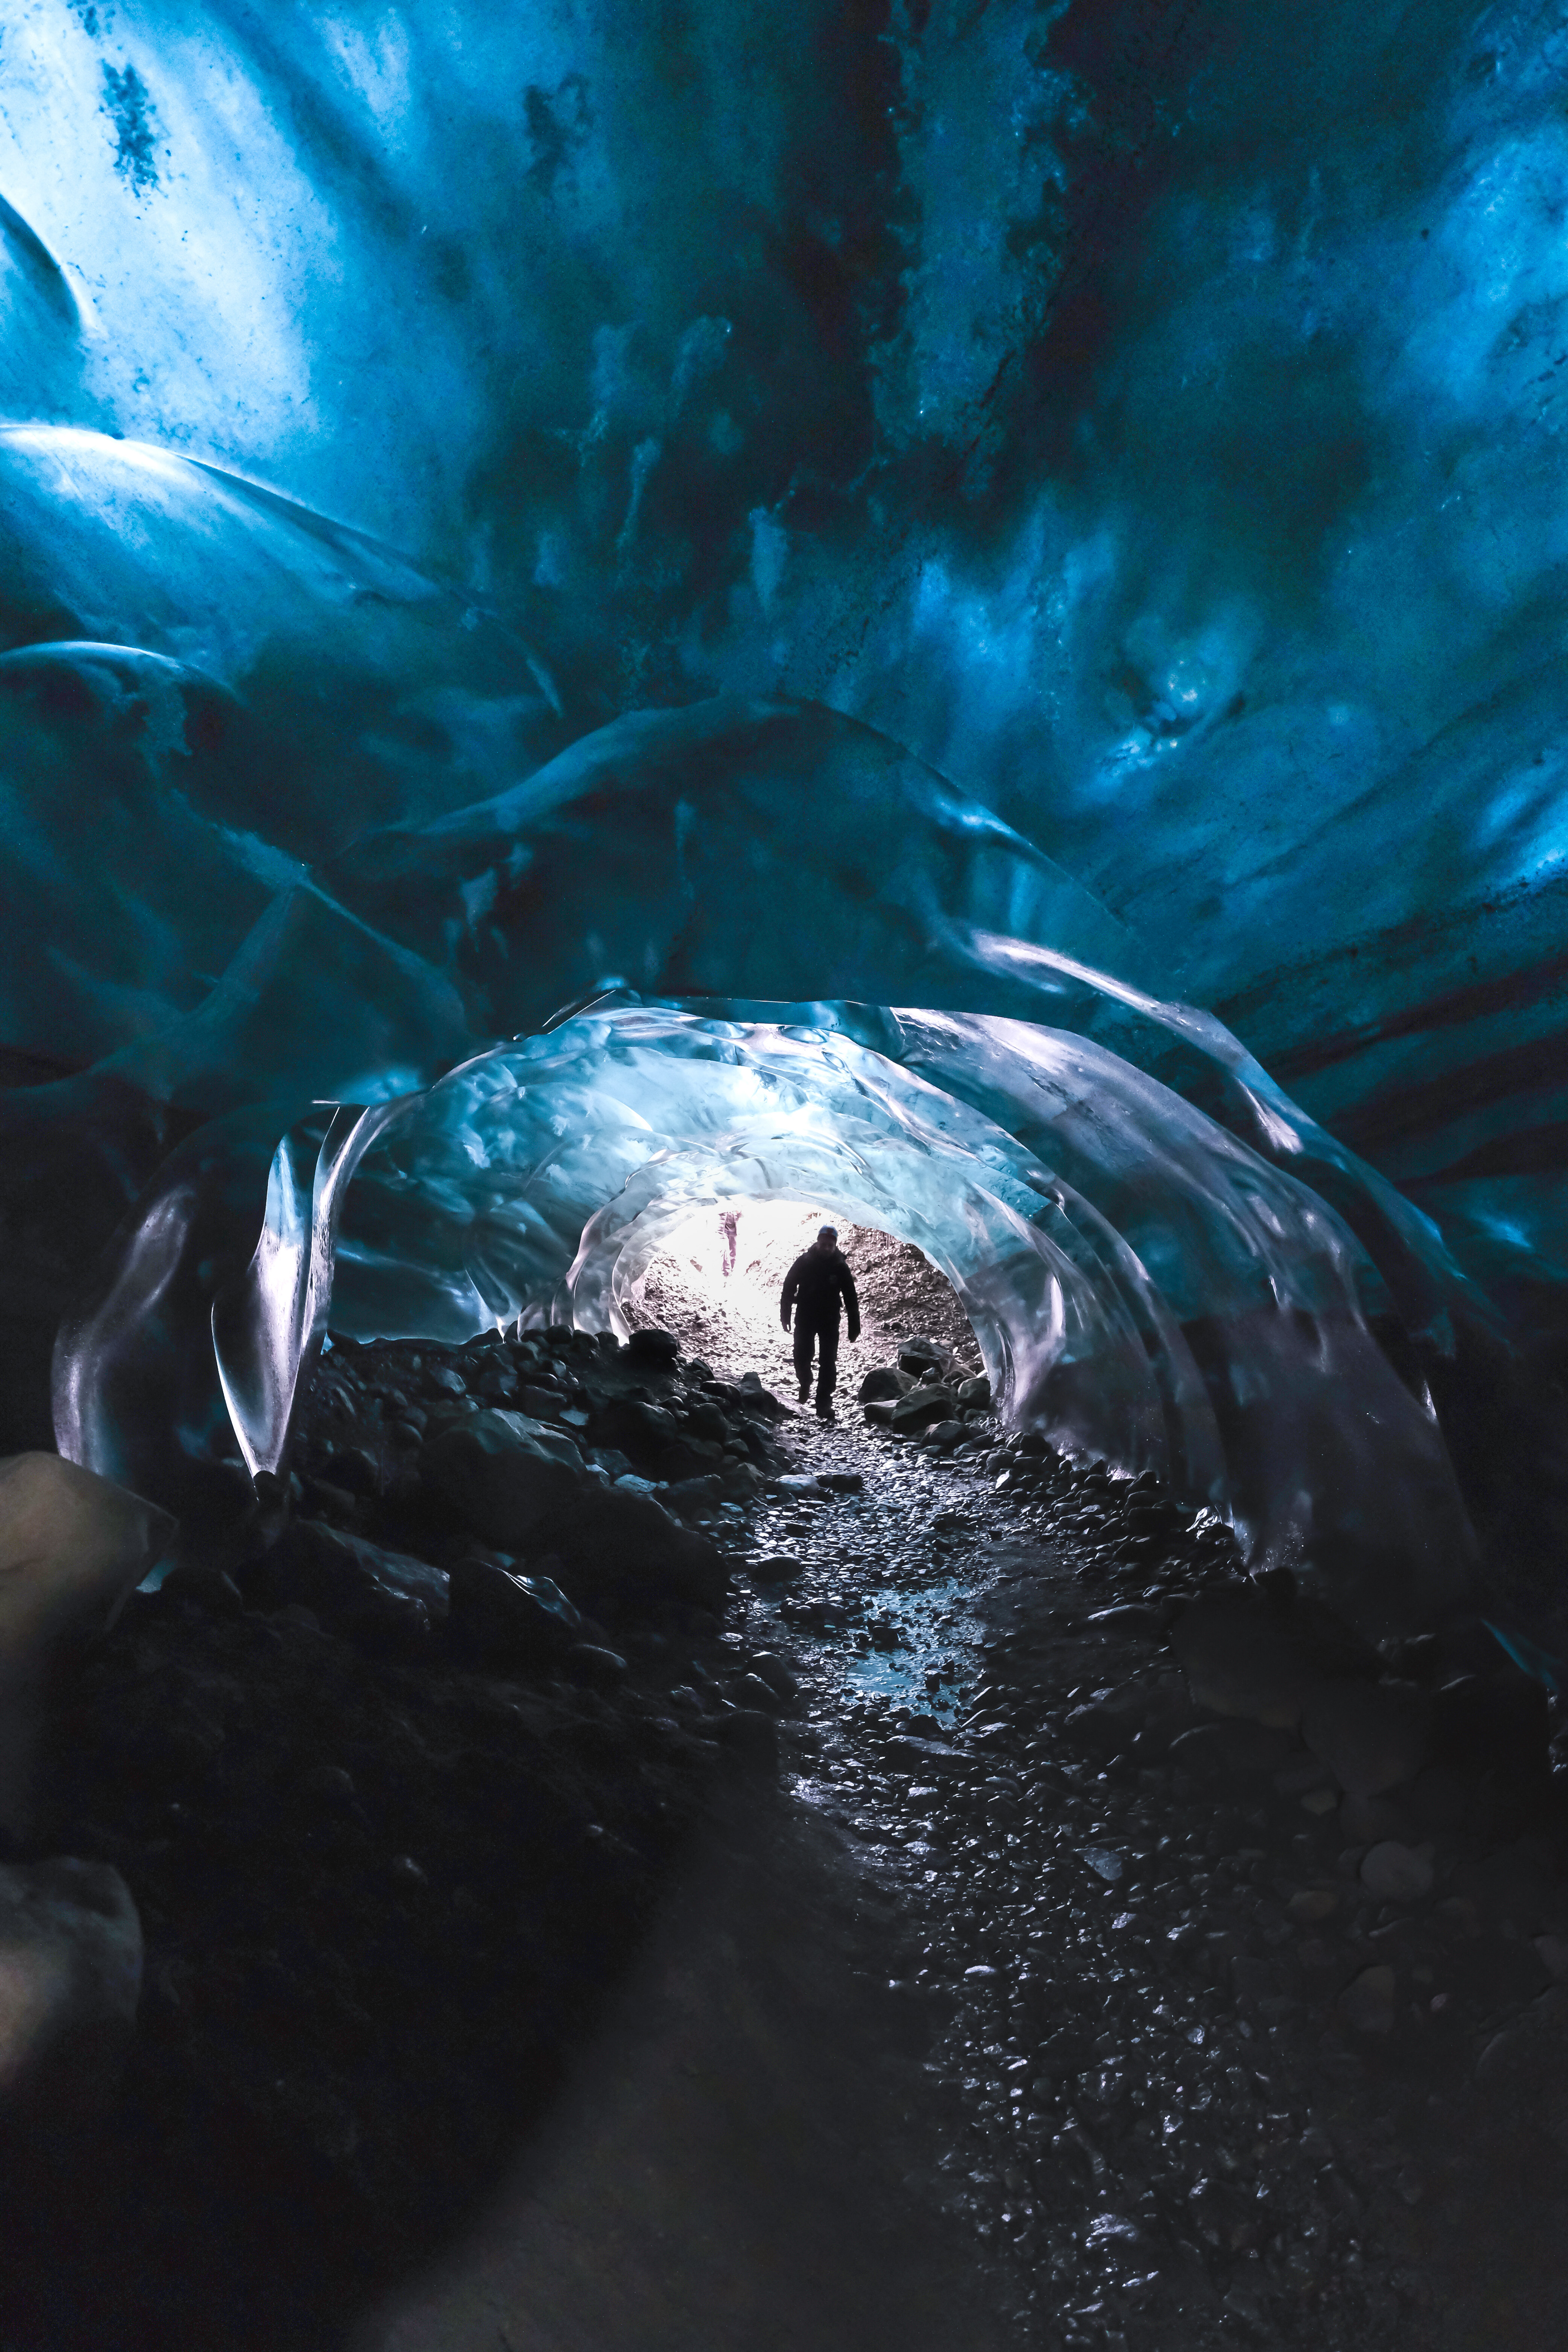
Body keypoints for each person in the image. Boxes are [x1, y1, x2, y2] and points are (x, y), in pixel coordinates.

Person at [780, 1224, 860, 1418]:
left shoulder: (840, 1267)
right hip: (806, 1316)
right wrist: (785, 1315)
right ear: (817, 1242)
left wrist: (854, 1326)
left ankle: (823, 1403)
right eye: (823, 1244)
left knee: (828, 1361)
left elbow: (851, 1296)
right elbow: (789, 1287)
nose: (826, 1248)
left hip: (830, 1319)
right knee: (801, 1354)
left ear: (835, 1246)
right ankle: (805, 1381)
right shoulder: (805, 1262)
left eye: (830, 1245)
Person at [718, 1206, 739, 1277]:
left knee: (733, 1253)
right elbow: (717, 1212)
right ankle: (726, 1272)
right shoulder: (722, 1206)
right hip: (723, 1232)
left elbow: (742, 1215)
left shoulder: (737, 1205)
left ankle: (731, 1272)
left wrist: (739, 1211)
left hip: (734, 1232)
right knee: (725, 1251)